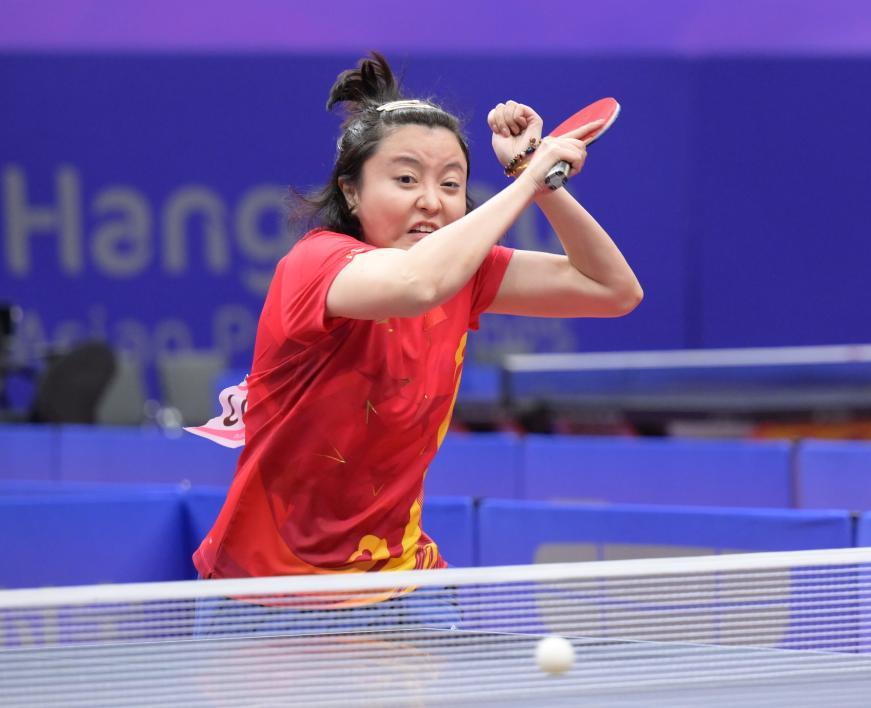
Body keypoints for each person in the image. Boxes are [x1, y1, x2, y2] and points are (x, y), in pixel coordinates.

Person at [192, 52, 641, 626]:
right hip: (269, 593)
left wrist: (540, 176)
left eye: (451, 184)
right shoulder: (315, 264)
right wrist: (529, 182)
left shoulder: (466, 274)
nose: (431, 200)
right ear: (351, 192)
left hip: (403, 584)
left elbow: (612, 290)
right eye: (405, 179)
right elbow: (417, 284)